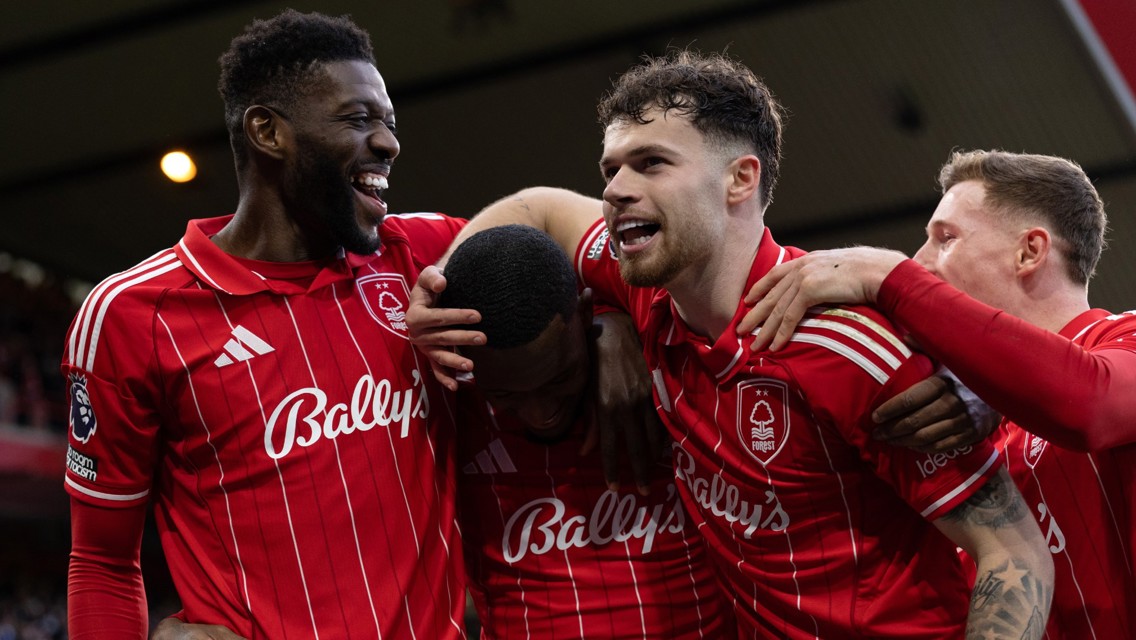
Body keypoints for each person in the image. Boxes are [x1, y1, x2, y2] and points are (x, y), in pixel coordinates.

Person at [409, 51, 1054, 638]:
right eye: (611, 169)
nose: (614, 189)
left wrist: (980, 384)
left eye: (652, 163)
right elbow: (537, 206)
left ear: (741, 179)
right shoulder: (648, 293)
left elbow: (1016, 555)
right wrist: (442, 291)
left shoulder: (847, 344)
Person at [62, 11, 470, 638]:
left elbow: (574, 237)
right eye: (359, 119)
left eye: (389, 123)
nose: (389, 143)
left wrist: (612, 329)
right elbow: (103, 560)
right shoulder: (130, 313)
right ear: (268, 132)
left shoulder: (420, 255)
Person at [738, 149, 1136, 639]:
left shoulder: (1124, 342)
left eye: (945, 239)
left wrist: (888, 277)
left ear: (1030, 252)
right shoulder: (951, 421)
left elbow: (1087, 405)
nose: (920, 261)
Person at [439, 224, 733, 638]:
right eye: (504, 394)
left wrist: (619, 318)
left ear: (582, 314)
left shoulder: (665, 362)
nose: (540, 413)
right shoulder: (444, 399)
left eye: (558, 379)